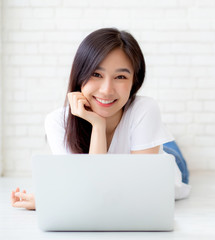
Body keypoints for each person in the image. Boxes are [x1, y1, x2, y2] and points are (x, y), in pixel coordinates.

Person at [10, 28, 191, 210]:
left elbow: (135, 190)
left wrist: (54, 199)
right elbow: (92, 192)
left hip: (166, 163)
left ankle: (156, 138)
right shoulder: (57, 122)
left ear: (134, 81)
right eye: (96, 74)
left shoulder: (145, 108)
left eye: (120, 76)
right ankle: (153, 136)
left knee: (165, 149)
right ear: (80, 75)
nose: (106, 90)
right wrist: (98, 125)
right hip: (138, 146)